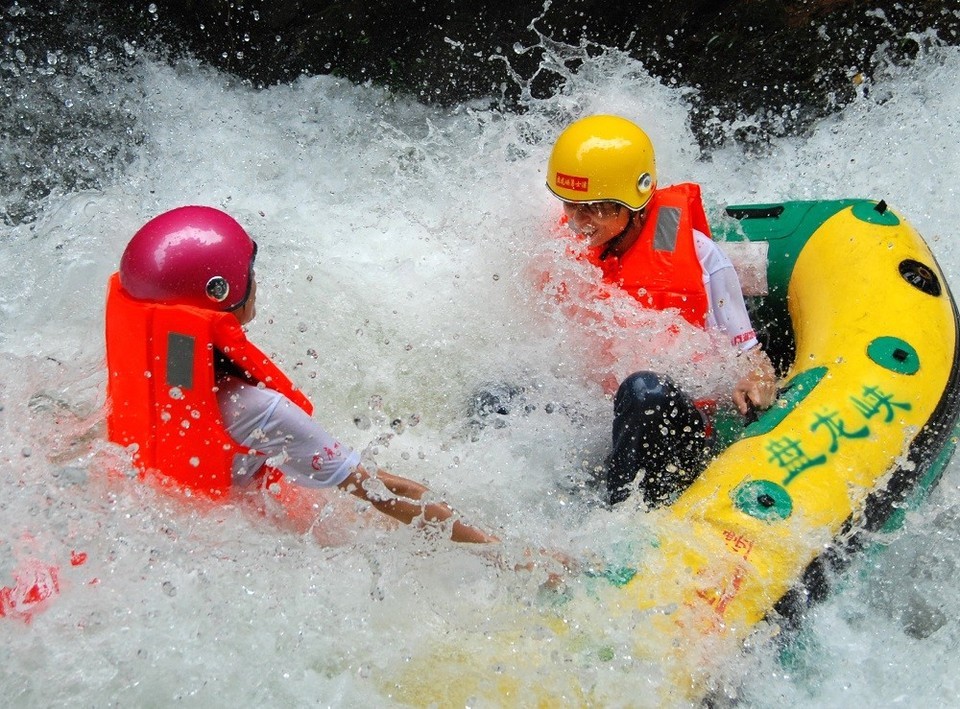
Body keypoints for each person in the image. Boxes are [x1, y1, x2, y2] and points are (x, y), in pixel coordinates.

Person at [105, 205, 497, 544]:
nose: (256, 283)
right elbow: (383, 491)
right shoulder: (257, 410)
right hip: (229, 541)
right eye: (250, 274)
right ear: (221, 295)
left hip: (160, 518)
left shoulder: (148, 372)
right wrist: (509, 556)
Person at [545, 114, 778, 507]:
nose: (579, 222)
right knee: (498, 394)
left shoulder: (701, 256)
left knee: (643, 391)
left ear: (636, 203)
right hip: (597, 421)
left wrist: (756, 379)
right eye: (572, 206)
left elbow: (751, 355)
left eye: (597, 208)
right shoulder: (562, 248)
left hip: (673, 428)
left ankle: (611, 524)